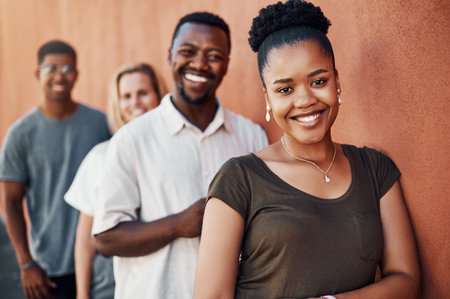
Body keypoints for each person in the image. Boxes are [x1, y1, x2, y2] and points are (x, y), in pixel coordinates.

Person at [194, 1, 421, 298]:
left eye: (318, 81)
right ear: (268, 98)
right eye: (285, 89)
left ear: (336, 82)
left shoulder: (375, 169)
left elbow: (406, 280)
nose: (304, 100)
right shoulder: (240, 178)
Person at [92, 12, 268, 299]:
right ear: (170, 55)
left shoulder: (251, 136)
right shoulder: (132, 139)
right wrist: (178, 224)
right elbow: (105, 239)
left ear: (226, 64)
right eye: (188, 52)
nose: (199, 64)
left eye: (213, 55)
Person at [0, 40, 111, 299]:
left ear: (77, 75)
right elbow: (11, 202)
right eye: (51, 67)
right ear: (38, 74)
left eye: (67, 68)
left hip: (99, 263)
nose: (60, 74)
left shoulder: (100, 123)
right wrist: (26, 264)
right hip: (49, 270)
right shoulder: (20, 134)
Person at [64, 63, 166, 299]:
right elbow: (85, 238)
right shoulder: (101, 156)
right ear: (117, 104)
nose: (135, 103)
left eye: (143, 93)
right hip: (110, 284)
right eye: (126, 96)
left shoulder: (177, 149)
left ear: (159, 95)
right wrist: (82, 294)